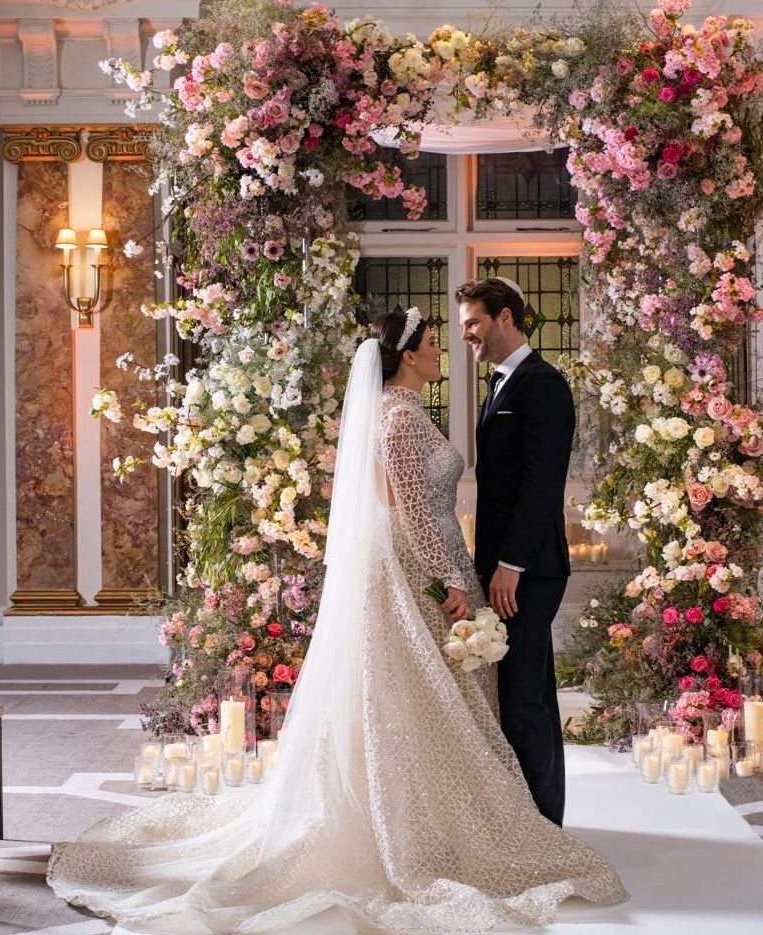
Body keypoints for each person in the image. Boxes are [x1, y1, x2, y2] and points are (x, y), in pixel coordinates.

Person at [47, 308, 626, 934]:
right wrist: (452, 584)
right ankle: (416, 830)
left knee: (414, 705)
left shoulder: (398, 413)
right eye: (433, 343)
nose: (441, 352)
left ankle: (427, 819)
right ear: (407, 355)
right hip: (417, 574)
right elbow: (411, 512)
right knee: (414, 704)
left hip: (416, 566)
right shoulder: (400, 418)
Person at [457, 277, 575, 827]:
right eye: (463, 328)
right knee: (529, 691)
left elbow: (541, 484)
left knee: (523, 696)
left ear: (506, 317)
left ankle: (540, 829)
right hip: (507, 566)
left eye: (474, 323)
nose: (467, 336)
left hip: (528, 569)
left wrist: (511, 565)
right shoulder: (502, 383)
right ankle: (540, 819)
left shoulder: (542, 384)